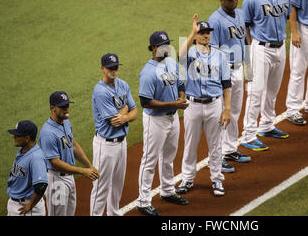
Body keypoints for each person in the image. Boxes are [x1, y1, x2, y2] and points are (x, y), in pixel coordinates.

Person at [135, 31, 189, 216]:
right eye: (163, 45)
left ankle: (167, 191)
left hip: (173, 117)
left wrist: (181, 99)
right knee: (149, 159)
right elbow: (145, 102)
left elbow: (181, 85)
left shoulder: (171, 63)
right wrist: (174, 103)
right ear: (154, 48)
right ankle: (143, 201)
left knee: (169, 157)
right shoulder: (148, 73)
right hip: (155, 120)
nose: (167, 48)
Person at [176, 15, 231, 197]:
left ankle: (217, 179)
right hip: (192, 105)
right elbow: (179, 55)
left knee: (215, 145)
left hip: (215, 104)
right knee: (190, 144)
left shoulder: (220, 55)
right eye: (202, 33)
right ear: (197, 36)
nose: (206, 35)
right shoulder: (190, 55)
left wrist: (227, 109)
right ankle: (187, 179)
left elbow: (226, 84)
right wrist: (191, 33)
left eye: (207, 33)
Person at [239, 0, 291, 152]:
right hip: (260, 48)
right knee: (255, 92)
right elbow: (245, 26)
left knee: (273, 90)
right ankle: (248, 135)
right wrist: (249, 52)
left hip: (280, 47)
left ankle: (267, 125)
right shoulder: (251, 0)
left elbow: (288, 16)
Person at [208, 0, 252, 173]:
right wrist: (220, 76)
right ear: (221, 0)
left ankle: (230, 149)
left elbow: (244, 41)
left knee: (234, 111)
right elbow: (214, 51)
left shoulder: (241, 14)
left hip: (239, 68)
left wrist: (248, 68)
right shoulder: (215, 20)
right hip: (224, 71)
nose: (234, 0)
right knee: (221, 114)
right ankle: (216, 158)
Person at [90, 53, 138, 216]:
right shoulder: (100, 91)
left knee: (118, 184)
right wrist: (126, 112)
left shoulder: (123, 85)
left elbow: (135, 112)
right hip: (106, 145)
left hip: (121, 143)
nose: (113, 71)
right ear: (102, 69)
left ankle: (114, 214)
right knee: (100, 187)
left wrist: (124, 115)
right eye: (110, 68)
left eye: (115, 67)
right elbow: (114, 121)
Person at [39, 91, 100, 216]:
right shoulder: (47, 133)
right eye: (62, 106)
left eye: (67, 105)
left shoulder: (66, 123)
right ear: (53, 108)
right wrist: (82, 171)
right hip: (57, 181)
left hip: (69, 178)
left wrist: (89, 166)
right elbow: (55, 163)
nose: (66, 109)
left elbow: (74, 145)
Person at [7, 120, 48, 216]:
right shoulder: (23, 149)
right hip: (15, 204)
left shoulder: (36, 158)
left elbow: (41, 185)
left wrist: (30, 205)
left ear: (27, 138)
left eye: (17, 135)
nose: (14, 137)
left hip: (26, 208)